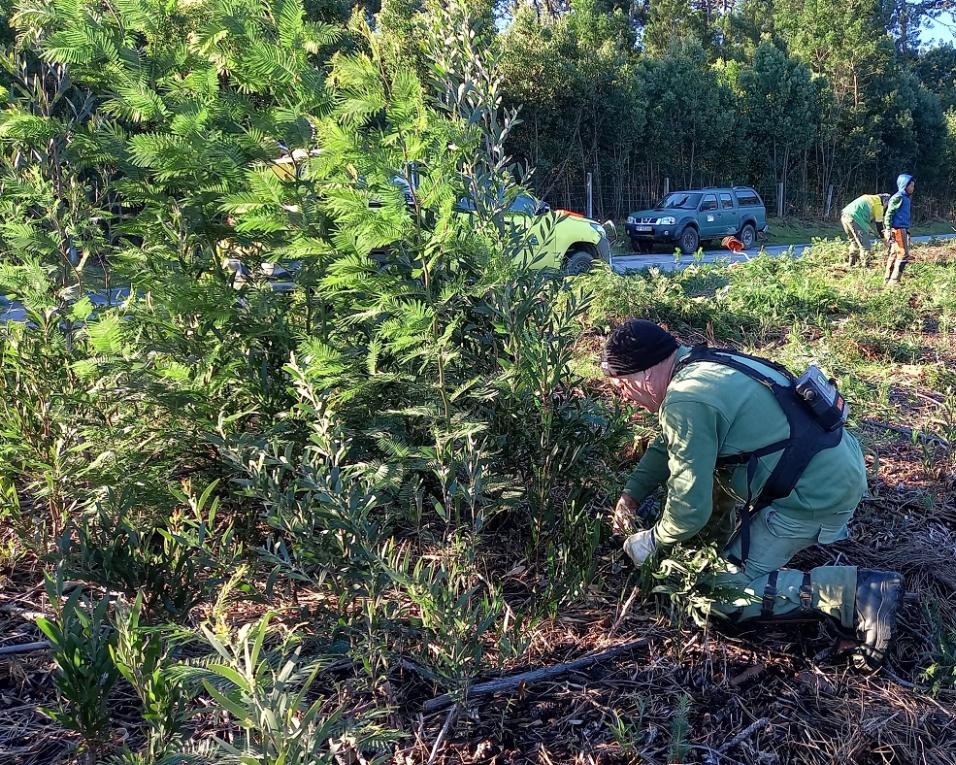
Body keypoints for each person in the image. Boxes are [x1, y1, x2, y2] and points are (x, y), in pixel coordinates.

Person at [603, 319, 903, 669]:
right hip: (832, 465)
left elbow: (688, 512)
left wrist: (651, 541)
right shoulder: (701, 364)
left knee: (715, 595)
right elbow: (668, 443)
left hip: (815, 497)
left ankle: (855, 594)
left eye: (621, 387)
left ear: (644, 375)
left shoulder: (686, 399)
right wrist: (632, 495)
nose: (624, 398)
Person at [883, 174, 915, 285]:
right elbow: (889, 214)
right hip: (898, 229)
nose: (912, 188)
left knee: (894, 253)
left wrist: (908, 231)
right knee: (903, 254)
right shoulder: (898, 197)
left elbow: (903, 217)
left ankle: (887, 279)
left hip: (902, 228)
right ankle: (894, 281)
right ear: (904, 185)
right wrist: (887, 229)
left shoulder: (906, 198)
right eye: (910, 186)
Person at [840, 193, 889, 266]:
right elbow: (879, 226)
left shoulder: (870, 198)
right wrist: (885, 240)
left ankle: (852, 263)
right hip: (856, 218)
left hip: (845, 216)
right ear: (885, 202)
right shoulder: (878, 205)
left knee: (854, 242)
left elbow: (863, 213)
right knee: (865, 245)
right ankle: (865, 266)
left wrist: (868, 228)